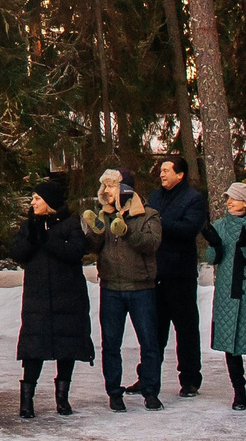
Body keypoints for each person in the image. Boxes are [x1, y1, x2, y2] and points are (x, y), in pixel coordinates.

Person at [12, 172, 93, 417]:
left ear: (49, 201)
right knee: (33, 348)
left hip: (67, 296)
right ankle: (27, 401)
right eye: (32, 198)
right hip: (37, 298)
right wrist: (35, 237)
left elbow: (75, 251)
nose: (32, 203)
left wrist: (48, 238)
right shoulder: (29, 226)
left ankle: (62, 398)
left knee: (66, 347)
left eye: (37, 198)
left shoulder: (70, 224)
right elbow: (18, 252)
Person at [85, 168, 163, 411]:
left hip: (141, 288)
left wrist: (128, 231)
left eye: (111, 186)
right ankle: (114, 392)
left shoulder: (148, 215)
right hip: (111, 288)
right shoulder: (104, 215)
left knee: (149, 342)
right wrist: (95, 232)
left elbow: (152, 244)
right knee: (110, 343)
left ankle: (150, 391)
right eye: (104, 186)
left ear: (124, 188)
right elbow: (92, 248)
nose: (106, 191)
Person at [206, 182, 246, 410]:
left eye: (233, 198)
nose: (229, 202)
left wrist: (244, 248)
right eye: (228, 199)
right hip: (226, 293)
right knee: (230, 345)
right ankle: (238, 393)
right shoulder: (220, 226)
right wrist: (214, 245)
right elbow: (212, 258)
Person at [150, 157, 209, 397]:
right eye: (161, 170)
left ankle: (190, 379)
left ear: (180, 174)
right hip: (155, 273)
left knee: (185, 329)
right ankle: (148, 376)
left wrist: (159, 222)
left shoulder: (193, 199)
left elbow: (189, 229)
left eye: (166, 170)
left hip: (180, 274)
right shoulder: (154, 197)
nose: (162, 174)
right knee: (154, 330)